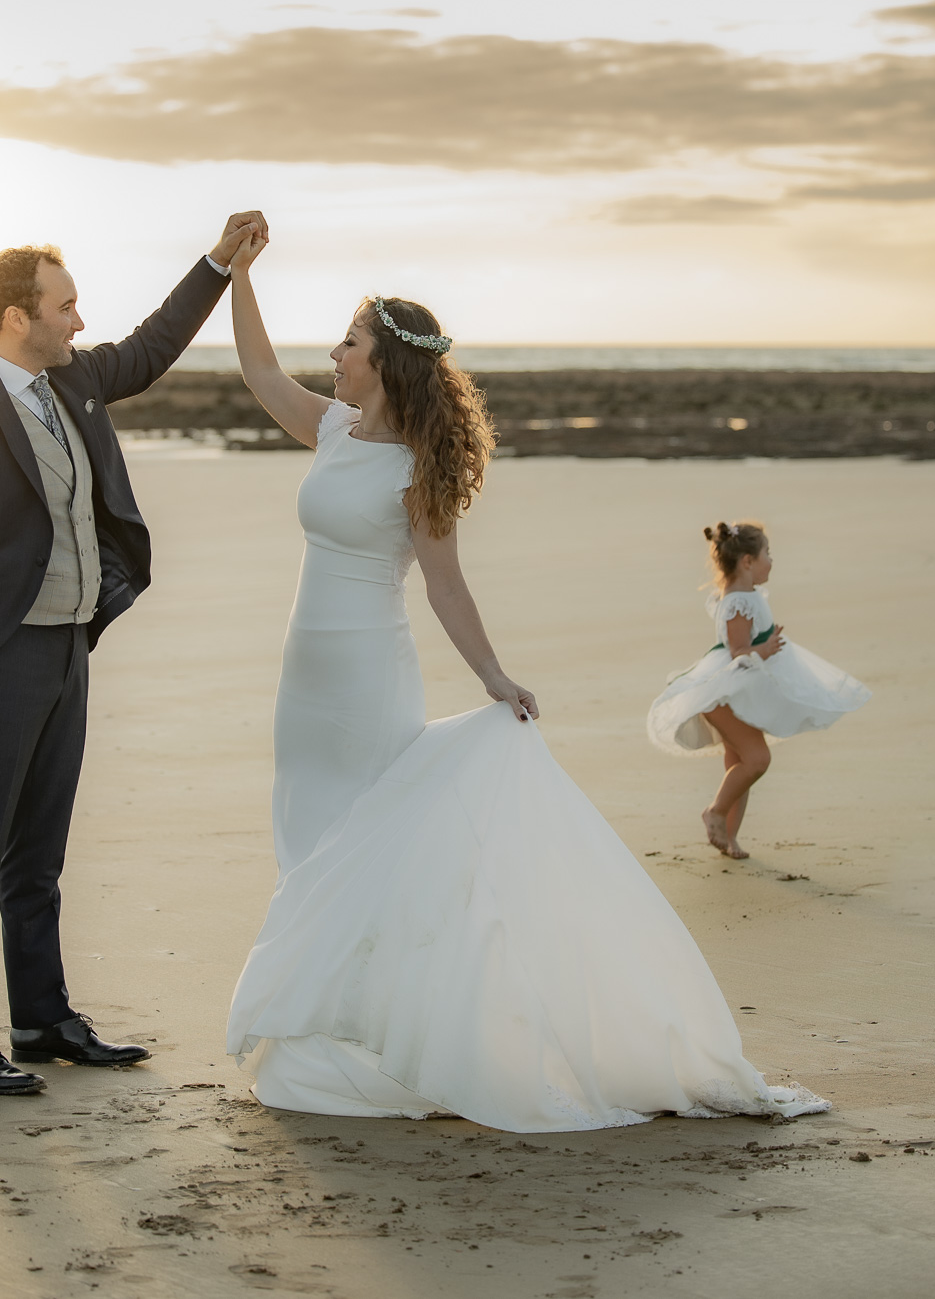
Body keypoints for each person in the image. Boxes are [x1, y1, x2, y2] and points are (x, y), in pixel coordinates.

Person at [223, 233, 828, 1132]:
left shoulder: (417, 470)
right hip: (302, 675)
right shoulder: (332, 427)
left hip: (366, 677)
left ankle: (369, 1029)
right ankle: (332, 1022)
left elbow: (447, 587)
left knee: (364, 845)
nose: (336, 355)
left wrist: (495, 676)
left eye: (350, 343)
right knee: (306, 841)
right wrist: (238, 275)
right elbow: (258, 370)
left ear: (384, 360)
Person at [0, 213, 265, 1094]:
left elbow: (153, 345)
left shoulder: (77, 382)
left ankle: (41, 1018)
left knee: (40, 855)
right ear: (17, 318)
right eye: (64, 306)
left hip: (69, 646)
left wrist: (218, 263)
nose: (79, 321)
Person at [647, 521, 871, 859]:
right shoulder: (737, 601)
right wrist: (763, 651)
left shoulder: (748, 595)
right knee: (757, 759)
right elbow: (737, 651)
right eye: (768, 553)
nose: (772, 560)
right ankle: (715, 812)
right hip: (722, 693)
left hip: (737, 692)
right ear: (747, 561)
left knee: (739, 762)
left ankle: (729, 836)